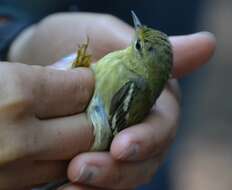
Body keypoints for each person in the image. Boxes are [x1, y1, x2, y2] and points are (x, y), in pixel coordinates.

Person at [0, 2, 216, 190]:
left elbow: (108, 129)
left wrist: (14, 40)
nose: (136, 32)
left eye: (138, 44)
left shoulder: (134, 84)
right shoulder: (123, 61)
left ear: (141, 60)